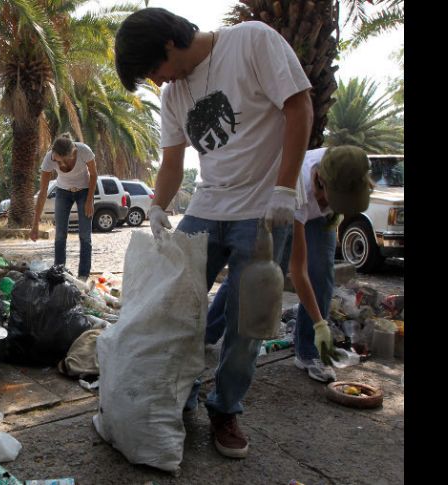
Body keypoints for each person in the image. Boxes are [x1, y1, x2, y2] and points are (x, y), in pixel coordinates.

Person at [115, 7, 313, 458]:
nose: (158, 81)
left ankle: (225, 408)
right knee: (176, 309)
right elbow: (171, 163)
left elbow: (299, 104)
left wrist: (285, 188)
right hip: (207, 207)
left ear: (170, 43)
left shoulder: (251, 41)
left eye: (153, 69)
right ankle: (179, 394)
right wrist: (157, 207)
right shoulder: (173, 95)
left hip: (263, 211)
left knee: (249, 323)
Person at [203, 146, 374, 383]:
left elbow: (314, 273)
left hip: (320, 214)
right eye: (330, 199)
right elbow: (299, 271)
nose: (330, 204)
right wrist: (320, 324)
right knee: (257, 275)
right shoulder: (299, 188)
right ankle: (209, 331)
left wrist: (335, 208)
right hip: (286, 208)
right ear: (320, 182)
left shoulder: (353, 167)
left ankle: (308, 352)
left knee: (323, 273)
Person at [30, 133, 99, 280]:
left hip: (84, 191)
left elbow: (93, 174)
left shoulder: (83, 151)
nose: (58, 164)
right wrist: (35, 225)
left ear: (71, 154)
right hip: (62, 192)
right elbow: (43, 192)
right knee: (60, 233)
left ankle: (83, 276)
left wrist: (89, 200)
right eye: (56, 159)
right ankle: (59, 273)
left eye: (61, 161)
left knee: (85, 235)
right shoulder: (49, 158)